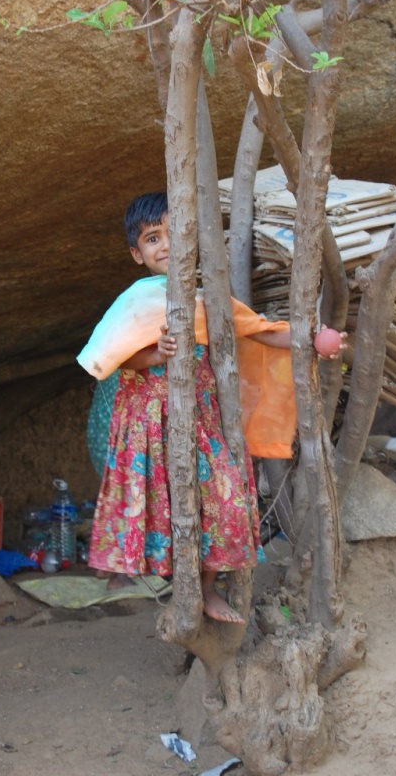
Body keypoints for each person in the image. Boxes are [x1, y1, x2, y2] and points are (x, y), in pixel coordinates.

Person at [77, 192, 345, 623]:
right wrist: (155, 354)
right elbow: (112, 356)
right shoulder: (135, 301)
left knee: (224, 498)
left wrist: (311, 341)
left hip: (202, 423)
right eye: (152, 238)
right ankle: (179, 589)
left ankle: (207, 590)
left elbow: (260, 331)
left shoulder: (208, 300)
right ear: (136, 253)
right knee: (167, 507)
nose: (165, 245)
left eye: (174, 233)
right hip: (152, 426)